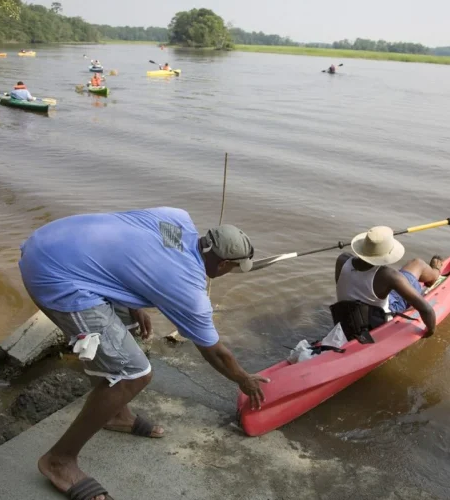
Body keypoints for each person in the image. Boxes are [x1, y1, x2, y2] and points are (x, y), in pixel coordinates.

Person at [18, 207, 268, 500]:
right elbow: (214, 353)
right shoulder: (189, 290)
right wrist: (243, 379)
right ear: (224, 264)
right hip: (53, 275)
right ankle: (59, 461)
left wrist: (134, 301)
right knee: (134, 374)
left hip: (47, 241)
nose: (232, 273)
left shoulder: (177, 218)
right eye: (235, 268)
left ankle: (115, 414)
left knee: (125, 329)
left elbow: (130, 249)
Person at [334, 226, 441, 336]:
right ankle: (435, 273)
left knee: (391, 284)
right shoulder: (388, 275)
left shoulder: (342, 260)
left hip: (347, 318)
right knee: (418, 263)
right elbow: (426, 310)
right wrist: (431, 332)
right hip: (377, 320)